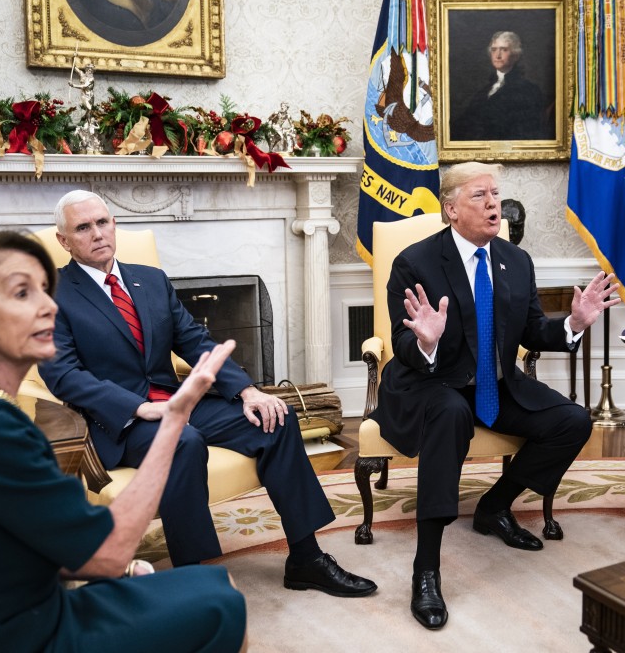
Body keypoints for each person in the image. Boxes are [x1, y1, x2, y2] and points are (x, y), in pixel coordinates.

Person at [0, 230, 247, 652]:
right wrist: (175, 420)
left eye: (44, 289)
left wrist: (121, 572)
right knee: (222, 602)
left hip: (19, 608)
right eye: (22, 293)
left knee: (214, 583)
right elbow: (109, 551)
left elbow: (24, 537)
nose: (49, 306)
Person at [38, 190, 376, 596]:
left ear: (114, 225)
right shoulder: (52, 295)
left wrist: (248, 392)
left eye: (103, 222)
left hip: (175, 401)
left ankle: (305, 558)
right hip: (119, 422)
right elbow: (64, 376)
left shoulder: (150, 280)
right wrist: (138, 408)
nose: (97, 233)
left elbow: (195, 340)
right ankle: (191, 576)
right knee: (184, 441)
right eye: (83, 227)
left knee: (275, 419)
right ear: (63, 240)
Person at [371, 162, 619, 629]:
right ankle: (426, 569)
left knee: (573, 421)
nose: (494, 205)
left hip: (492, 385)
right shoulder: (415, 262)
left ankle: (494, 506)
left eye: (496, 195)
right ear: (450, 210)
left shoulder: (515, 260)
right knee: (448, 413)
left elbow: (532, 329)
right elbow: (403, 347)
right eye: (480, 196)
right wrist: (425, 339)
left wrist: (574, 324)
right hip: (430, 384)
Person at [451, 31, 549, 141]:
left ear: (516, 55)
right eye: (494, 50)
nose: (498, 55)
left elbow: (528, 132)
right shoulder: (484, 91)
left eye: (504, 49)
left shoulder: (529, 91)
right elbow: (465, 123)